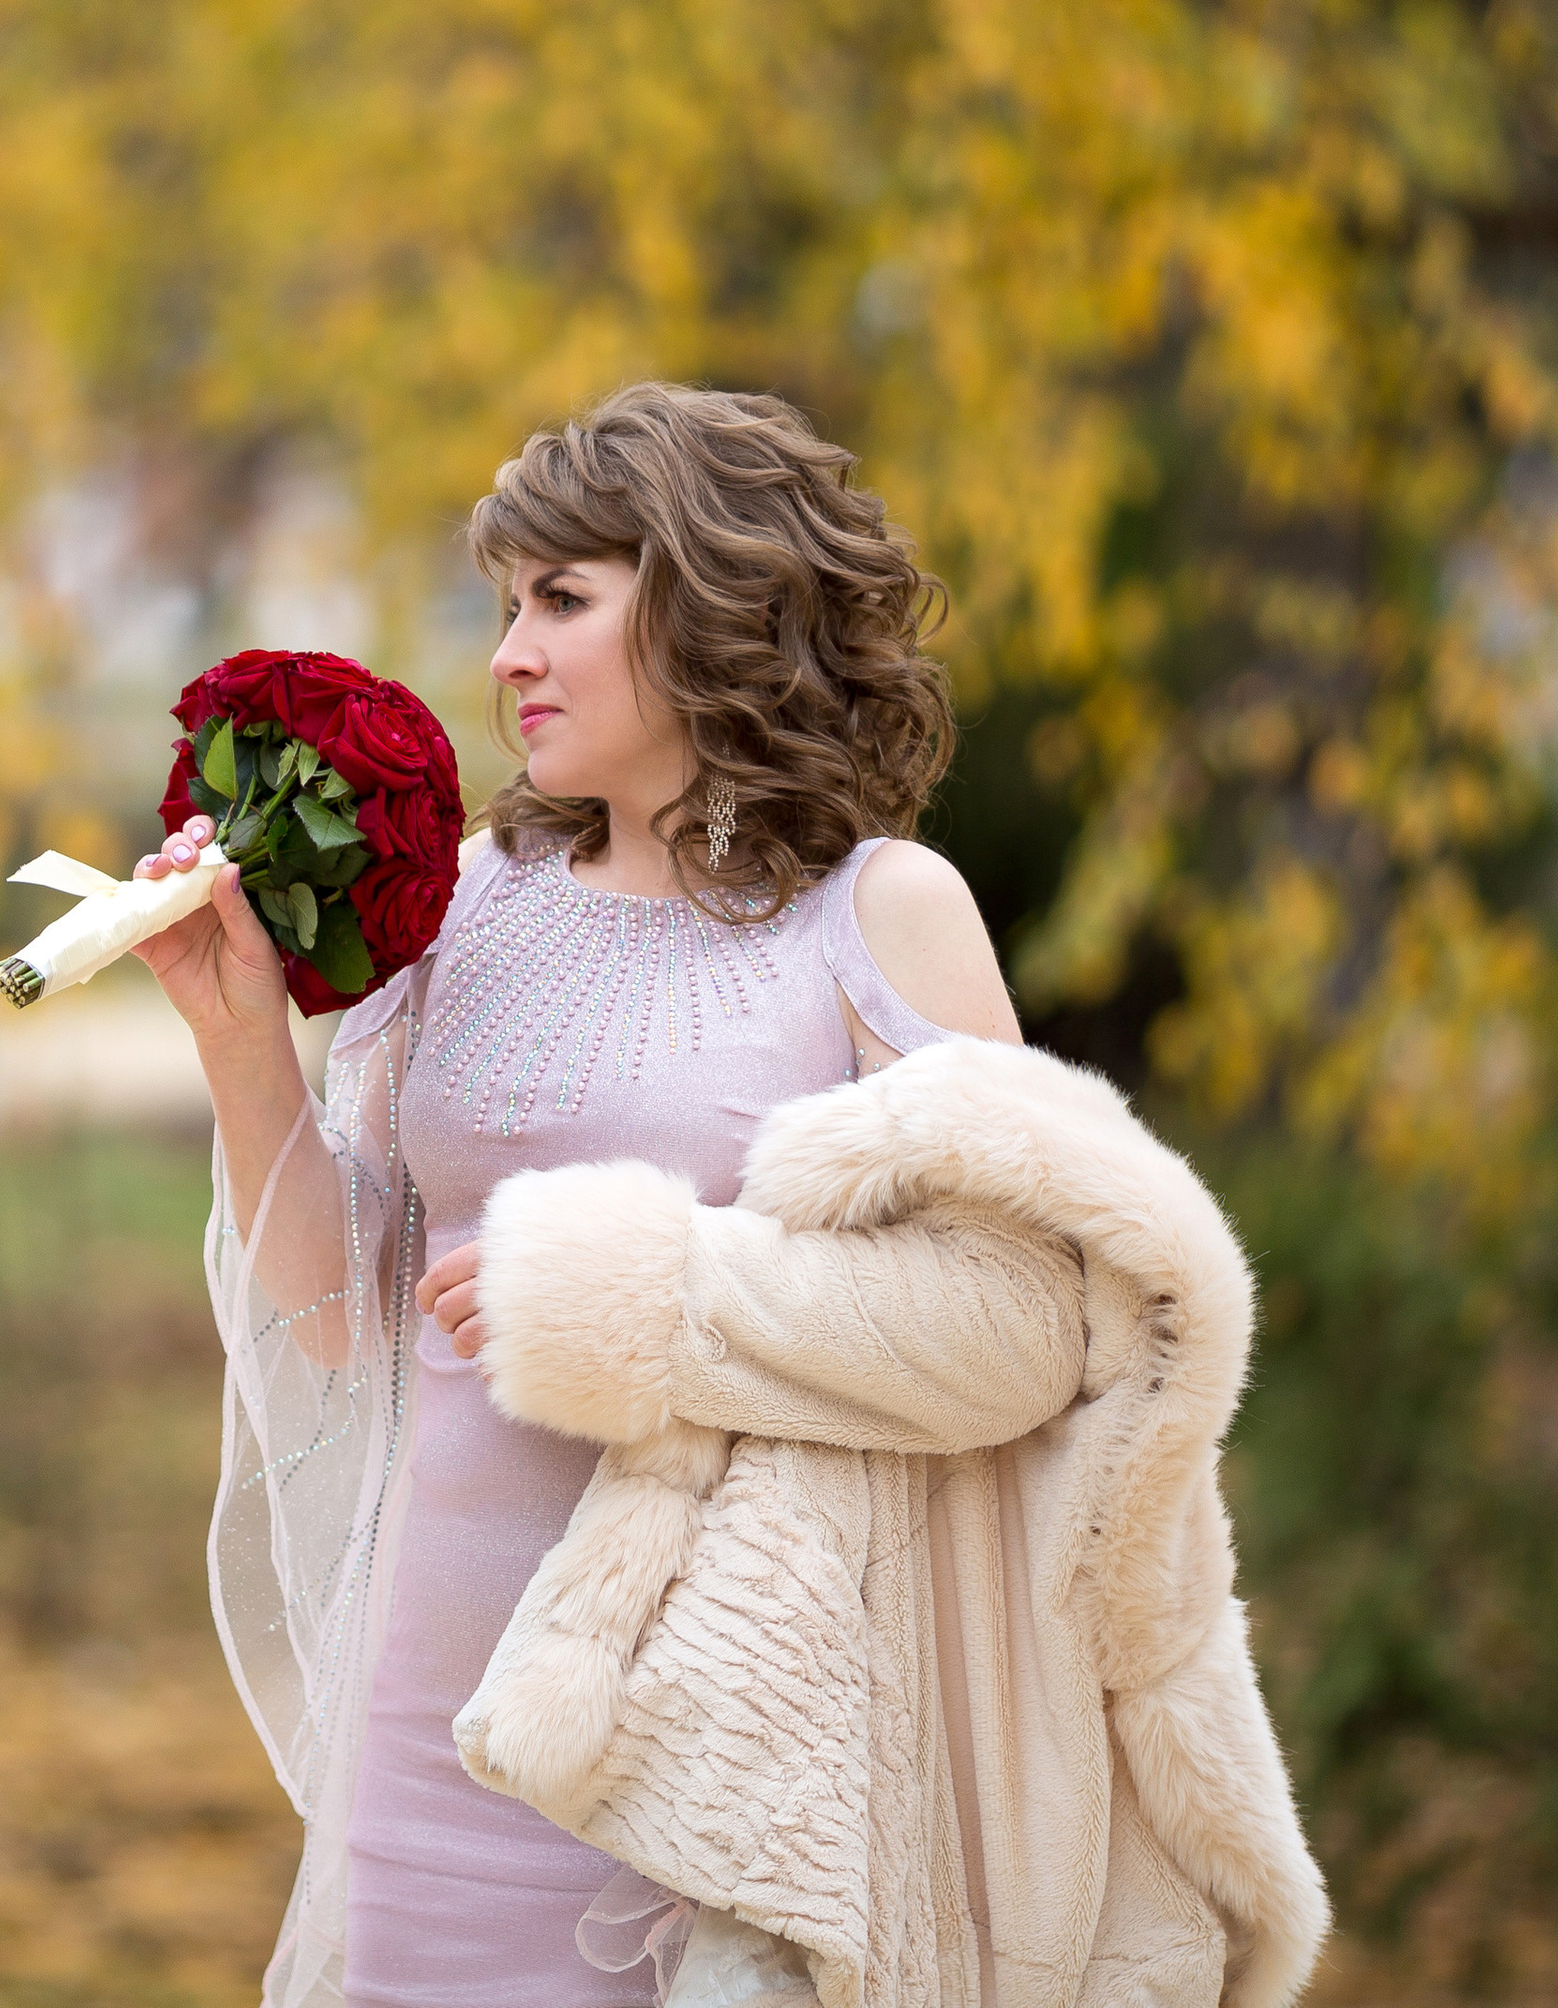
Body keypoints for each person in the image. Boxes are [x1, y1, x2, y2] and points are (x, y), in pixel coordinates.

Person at [130, 384, 1324, 2008]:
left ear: (714, 603)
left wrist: (644, 1293)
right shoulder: (475, 904)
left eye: (563, 599)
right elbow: (348, 1322)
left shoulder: (881, 915)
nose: (508, 656)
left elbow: (1024, 1329)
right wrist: (239, 1031)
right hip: (435, 1743)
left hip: (716, 1761)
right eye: (505, 607)